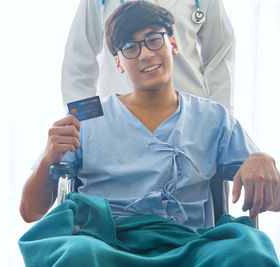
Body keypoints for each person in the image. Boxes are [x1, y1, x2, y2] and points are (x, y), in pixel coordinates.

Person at [19, 1, 280, 266]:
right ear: (119, 63)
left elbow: (277, 200)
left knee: (248, 251)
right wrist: (48, 159)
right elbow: (30, 212)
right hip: (107, 242)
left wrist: (263, 160)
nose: (145, 54)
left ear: (174, 45)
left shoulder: (214, 118)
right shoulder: (87, 118)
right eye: (130, 47)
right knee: (78, 255)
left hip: (192, 245)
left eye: (154, 39)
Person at [62, 0, 236, 110]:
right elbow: (79, 59)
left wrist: (220, 115)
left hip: (192, 116)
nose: (146, 55)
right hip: (120, 120)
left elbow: (219, 55)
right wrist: (86, 122)